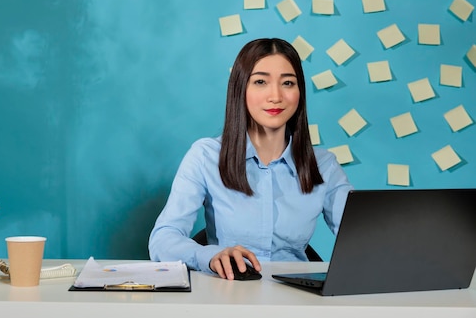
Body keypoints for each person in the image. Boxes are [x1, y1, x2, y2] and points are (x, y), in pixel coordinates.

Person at [148, 38, 353, 280]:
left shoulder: (324, 166)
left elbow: (364, 239)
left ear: (300, 93)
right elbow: (163, 238)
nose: (275, 96)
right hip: (227, 296)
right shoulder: (205, 156)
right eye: (260, 82)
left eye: (288, 82)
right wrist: (209, 256)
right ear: (241, 89)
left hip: (298, 302)